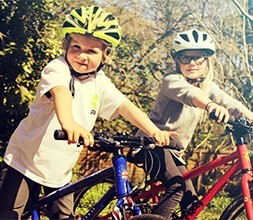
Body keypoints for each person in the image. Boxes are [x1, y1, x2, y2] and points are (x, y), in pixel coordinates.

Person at [0, 5, 175, 219]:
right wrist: (70, 124)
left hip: (59, 172)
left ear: (104, 55)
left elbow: (124, 106)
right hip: (23, 162)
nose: (82, 56)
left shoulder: (100, 82)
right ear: (66, 46)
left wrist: (154, 131)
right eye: (76, 47)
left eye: (91, 51)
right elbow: (60, 92)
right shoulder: (57, 68)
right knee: (9, 214)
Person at [130, 29, 253, 218]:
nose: (192, 63)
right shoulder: (171, 81)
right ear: (177, 61)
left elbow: (232, 104)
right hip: (150, 144)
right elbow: (190, 95)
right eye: (185, 58)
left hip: (173, 151)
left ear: (207, 61)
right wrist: (210, 105)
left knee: (190, 202)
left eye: (198, 58)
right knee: (177, 187)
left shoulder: (207, 86)